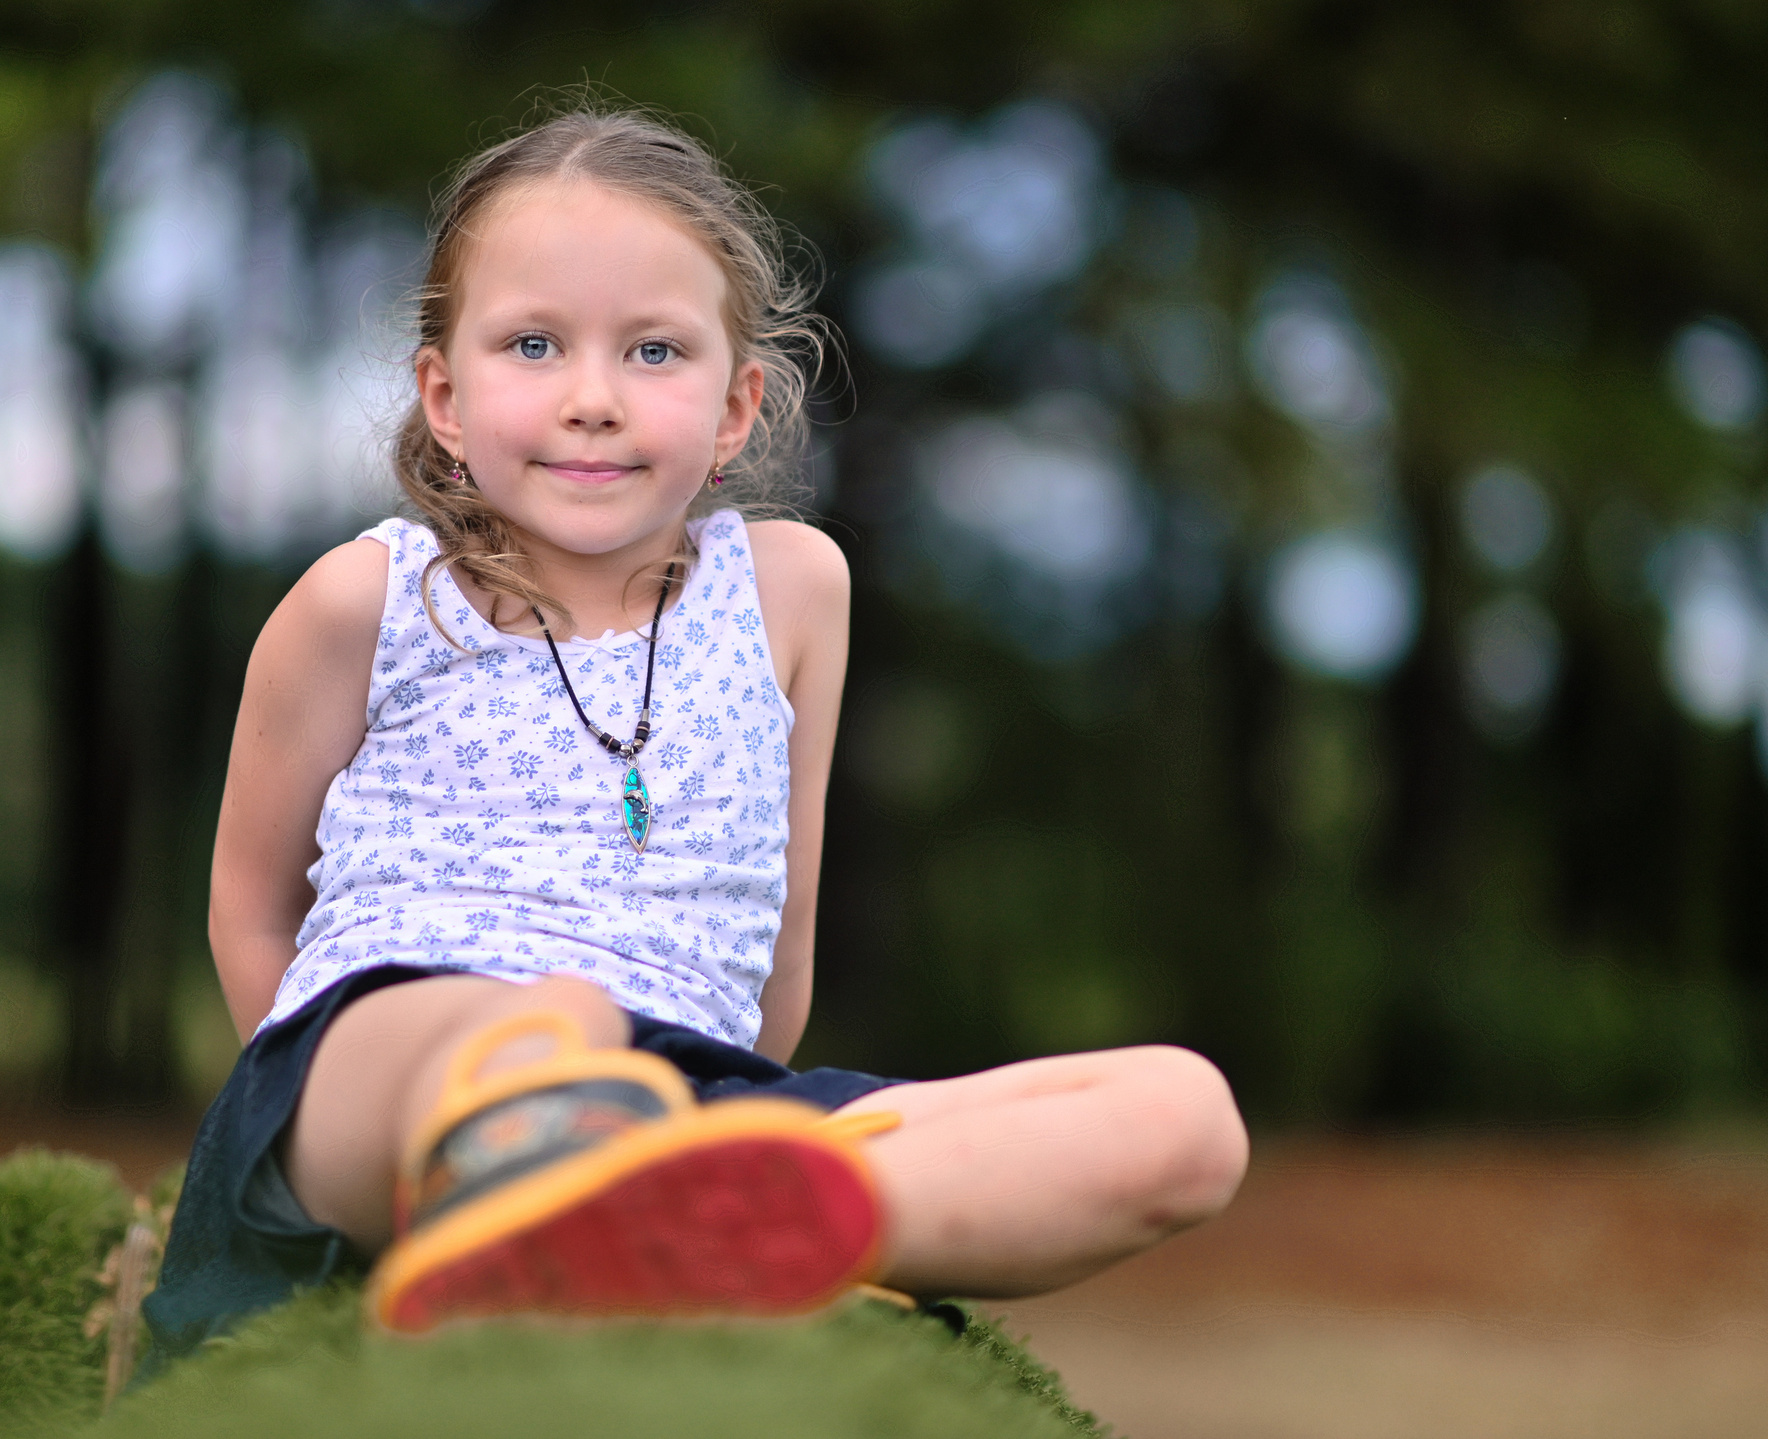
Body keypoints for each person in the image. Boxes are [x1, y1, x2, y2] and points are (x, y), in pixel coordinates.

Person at [142, 107, 1247, 1361]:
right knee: (541, 1023)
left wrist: (703, 1097)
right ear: (443, 397)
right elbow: (249, 912)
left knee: (1182, 1116)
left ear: (735, 409)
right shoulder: (366, 600)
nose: (595, 398)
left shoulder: (789, 590)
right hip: (379, 1066)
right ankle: (515, 1176)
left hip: (691, 1089)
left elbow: (774, 957)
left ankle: (737, 1224)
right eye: (535, 344)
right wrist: (313, 1140)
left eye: (655, 351)